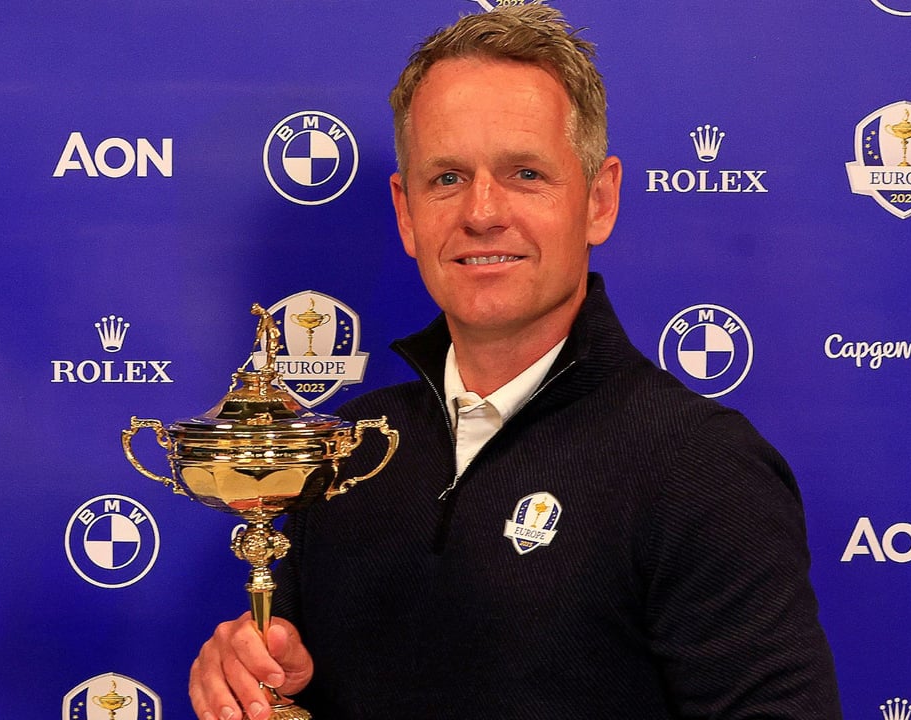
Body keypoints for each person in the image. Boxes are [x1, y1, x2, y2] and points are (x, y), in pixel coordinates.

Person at [189, 4, 842, 718]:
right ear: (406, 214)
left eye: (525, 173)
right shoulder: (345, 446)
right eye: (446, 179)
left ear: (599, 199)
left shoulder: (702, 467)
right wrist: (261, 676)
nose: (482, 212)